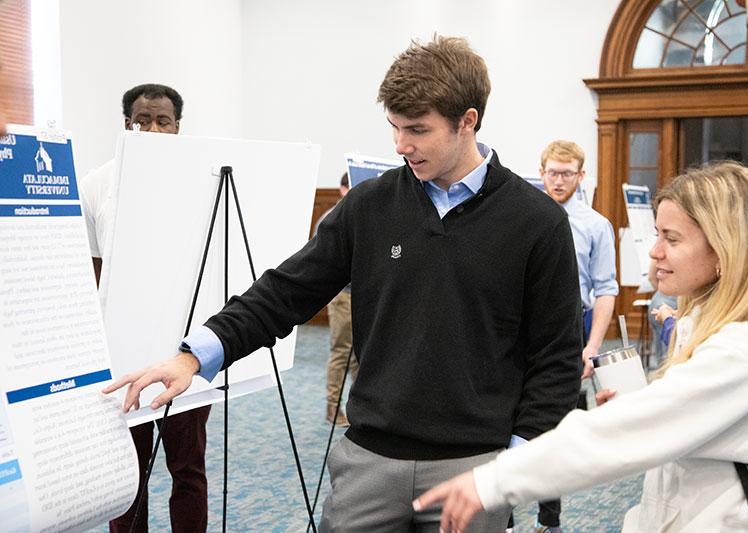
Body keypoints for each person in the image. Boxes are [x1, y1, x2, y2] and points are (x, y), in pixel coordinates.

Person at [104, 36, 583, 531]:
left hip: (475, 467)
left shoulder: (536, 223)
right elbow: (284, 291)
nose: (401, 146)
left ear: (468, 120)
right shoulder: (370, 206)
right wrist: (196, 354)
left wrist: (516, 466)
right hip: (369, 463)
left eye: (417, 130)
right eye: (395, 128)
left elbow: (556, 358)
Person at [416, 161, 748, 532]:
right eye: (658, 234)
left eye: (672, 238)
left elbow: (624, 434)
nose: (655, 252)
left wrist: (493, 480)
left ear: (724, 250)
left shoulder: (747, 348)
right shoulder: (714, 327)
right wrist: (647, 403)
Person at [81, 83, 211, 533]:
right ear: (126, 125)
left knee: (188, 470)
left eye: (163, 121)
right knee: (125, 475)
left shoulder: (202, 183)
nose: (152, 129)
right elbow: (95, 270)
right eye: (142, 120)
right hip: (121, 357)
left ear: (178, 127)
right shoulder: (99, 184)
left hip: (182, 354)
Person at [537, 140, 618, 530]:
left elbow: (606, 290)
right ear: (542, 173)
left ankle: (549, 519)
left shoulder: (595, 226)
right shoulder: (526, 217)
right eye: (552, 172)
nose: (558, 180)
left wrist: (592, 347)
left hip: (573, 329)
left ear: (581, 176)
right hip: (526, 328)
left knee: (555, 429)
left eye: (567, 173)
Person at [315, 173, 358, 426]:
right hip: (342, 295)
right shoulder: (331, 217)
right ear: (342, 189)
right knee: (341, 352)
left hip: (364, 296)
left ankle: (357, 408)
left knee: (360, 357)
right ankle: (332, 409)